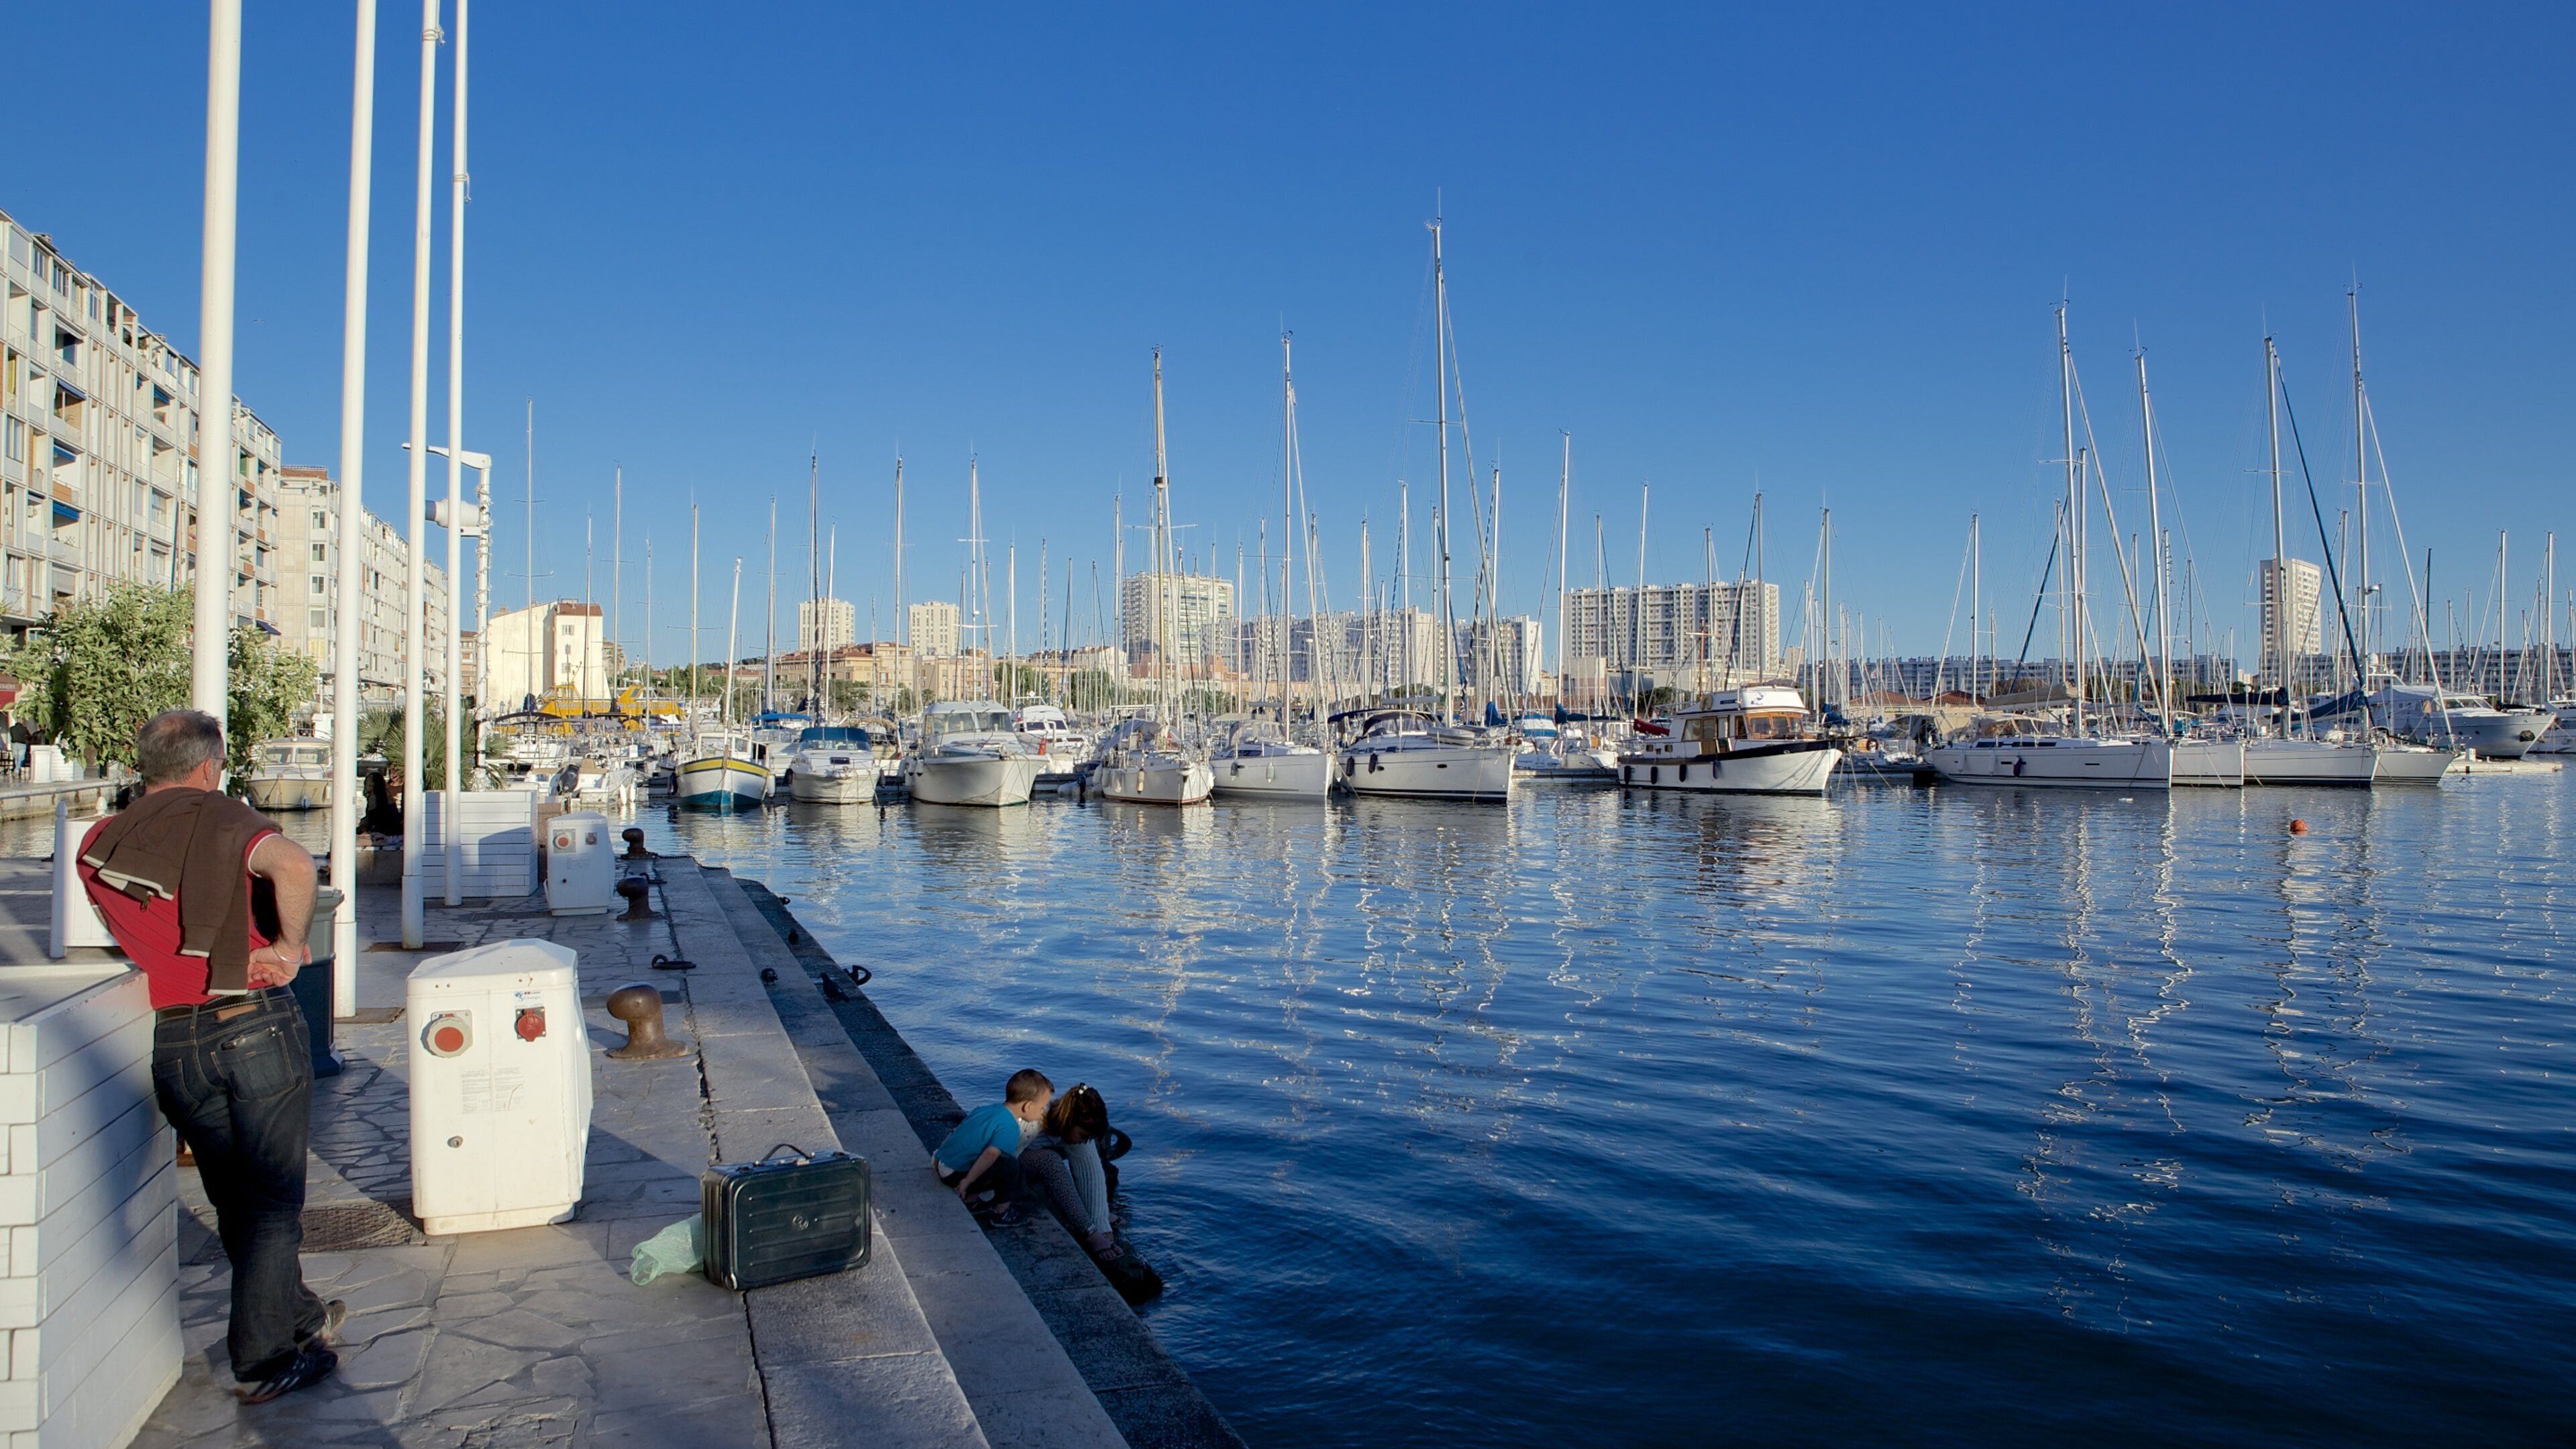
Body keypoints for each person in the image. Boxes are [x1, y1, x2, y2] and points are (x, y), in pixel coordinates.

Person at [77, 710, 341, 1403]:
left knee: (234, 1198)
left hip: (175, 1040)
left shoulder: (101, 842)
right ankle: (263, 1360)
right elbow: (293, 865)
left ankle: (299, 1315)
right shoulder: (221, 818)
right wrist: (288, 947)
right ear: (207, 767)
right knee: (274, 1202)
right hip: (251, 1023)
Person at [931, 1068, 1051, 1226]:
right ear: (1028, 1106)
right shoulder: (1010, 1126)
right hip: (956, 1176)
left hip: (944, 1165)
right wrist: (968, 1181)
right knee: (1010, 1165)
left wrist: (938, 1159)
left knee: (987, 1157)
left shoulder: (986, 1110)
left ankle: (972, 1201)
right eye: (1042, 1107)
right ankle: (1001, 1212)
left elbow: (959, 1133)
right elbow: (991, 1154)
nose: (1042, 1112)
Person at [1022, 1083, 1120, 1259]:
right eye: (1083, 1135)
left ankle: (1098, 1216)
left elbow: (1091, 1173)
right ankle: (1089, 1232)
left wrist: (1100, 1219)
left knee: (1084, 1148)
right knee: (1050, 1161)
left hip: (1027, 1155)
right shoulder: (1035, 1122)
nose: (1084, 1140)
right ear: (1069, 1120)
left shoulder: (1068, 1125)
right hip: (1005, 1162)